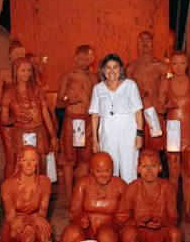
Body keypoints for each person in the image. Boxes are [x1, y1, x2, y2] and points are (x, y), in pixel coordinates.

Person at [49, 152, 131, 242]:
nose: (104, 175)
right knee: (70, 233)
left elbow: (128, 213)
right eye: (99, 171)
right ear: (91, 170)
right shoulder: (83, 184)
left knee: (105, 235)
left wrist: (123, 218)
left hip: (109, 230)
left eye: (107, 170)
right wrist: (80, 219)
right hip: (86, 229)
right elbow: (73, 212)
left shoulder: (120, 185)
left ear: (112, 168)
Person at [120, 150, 182, 242]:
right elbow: (120, 217)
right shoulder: (132, 187)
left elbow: (173, 219)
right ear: (138, 169)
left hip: (159, 234)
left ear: (160, 168)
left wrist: (162, 222)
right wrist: (136, 222)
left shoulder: (168, 188)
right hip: (140, 235)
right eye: (145, 166)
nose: (149, 171)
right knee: (127, 234)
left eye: (153, 166)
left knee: (176, 234)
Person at [156, 51, 190, 222]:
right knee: (173, 173)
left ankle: (187, 210)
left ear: (187, 64)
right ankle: (172, 211)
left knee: (188, 173)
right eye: (175, 63)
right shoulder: (165, 83)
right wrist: (166, 105)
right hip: (172, 131)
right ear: (171, 65)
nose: (178, 66)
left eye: (182, 63)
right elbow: (159, 108)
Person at [89, 53, 143, 184]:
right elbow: (95, 115)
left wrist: (139, 134)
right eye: (108, 67)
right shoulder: (97, 89)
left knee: (129, 168)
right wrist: (95, 140)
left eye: (115, 67)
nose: (111, 71)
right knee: (108, 167)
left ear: (121, 69)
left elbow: (138, 112)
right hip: (107, 135)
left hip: (128, 134)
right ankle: (112, 202)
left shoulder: (130, 85)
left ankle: (129, 201)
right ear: (103, 70)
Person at [1, 57, 58, 178]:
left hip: (39, 131)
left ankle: (38, 194)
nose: (27, 73)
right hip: (20, 132)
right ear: (15, 71)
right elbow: (4, 120)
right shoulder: (9, 93)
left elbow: (45, 114)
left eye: (29, 70)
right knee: (22, 167)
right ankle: (23, 195)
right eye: (23, 70)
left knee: (40, 166)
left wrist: (53, 136)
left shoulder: (38, 90)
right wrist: (16, 119)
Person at [55, 44, 97, 202]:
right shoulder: (68, 76)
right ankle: (68, 194)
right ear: (75, 58)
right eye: (81, 57)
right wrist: (68, 101)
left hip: (87, 120)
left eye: (88, 57)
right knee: (68, 158)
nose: (84, 60)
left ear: (92, 58)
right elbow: (58, 103)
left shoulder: (94, 77)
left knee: (85, 157)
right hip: (72, 119)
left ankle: (82, 192)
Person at [0, 40, 26, 179]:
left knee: (25, 154)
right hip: (8, 118)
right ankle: (8, 190)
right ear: (10, 56)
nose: (20, 56)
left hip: (24, 118)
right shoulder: (4, 73)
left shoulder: (27, 73)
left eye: (22, 54)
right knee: (11, 156)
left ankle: (22, 188)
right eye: (17, 54)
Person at [126, 31, 169, 152]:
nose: (145, 44)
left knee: (155, 148)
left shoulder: (161, 66)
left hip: (155, 111)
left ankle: (156, 170)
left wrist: (162, 107)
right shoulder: (131, 67)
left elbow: (166, 90)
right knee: (135, 148)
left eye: (148, 41)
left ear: (152, 43)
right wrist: (136, 92)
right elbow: (127, 91)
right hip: (136, 112)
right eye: (142, 41)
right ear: (138, 44)